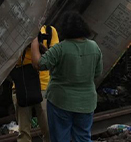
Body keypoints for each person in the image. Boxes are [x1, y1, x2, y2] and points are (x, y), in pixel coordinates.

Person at [31, 12, 103, 142]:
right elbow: (97, 73)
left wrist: (34, 41)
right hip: (86, 102)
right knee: (83, 137)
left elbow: (39, 64)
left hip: (60, 101)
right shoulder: (94, 47)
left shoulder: (61, 48)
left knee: (60, 137)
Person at [14, 24, 58, 142]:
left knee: (49, 129)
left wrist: (36, 44)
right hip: (22, 85)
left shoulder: (49, 31)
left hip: (44, 86)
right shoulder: (15, 33)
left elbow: (55, 58)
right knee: (23, 133)